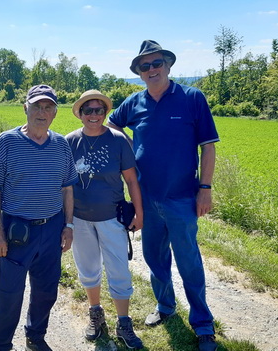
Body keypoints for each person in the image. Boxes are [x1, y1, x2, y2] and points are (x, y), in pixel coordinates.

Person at [107, 40, 220, 351]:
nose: (152, 69)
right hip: (146, 198)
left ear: (168, 66)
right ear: (139, 73)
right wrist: (130, 151)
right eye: (146, 66)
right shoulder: (133, 103)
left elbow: (208, 146)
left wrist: (205, 189)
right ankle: (166, 306)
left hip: (183, 198)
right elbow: (111, 128)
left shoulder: (192, 98)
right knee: (155, 259)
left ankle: (203, 323)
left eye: (157, 63)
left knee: (189, 262)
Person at [0, 84, 78, 351]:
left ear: (55, 113)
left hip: (52, 230)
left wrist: (68, 226)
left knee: (46, 291)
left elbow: (68, 188)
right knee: (8, 294)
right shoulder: (7, 142)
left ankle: (35, 336)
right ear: (25, 108)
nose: (42, 112)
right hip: (17, 231)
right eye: (36, 106)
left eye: (48, 107)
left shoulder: (61, 145)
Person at [65, 90, 144, 350]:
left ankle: (123, 322)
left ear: (105, 113)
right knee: (88, 269)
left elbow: (132, 180)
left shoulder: (118, 140)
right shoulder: (69, 142)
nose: (94, 115)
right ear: (80, 114)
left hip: (112, 218)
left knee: (119, 270)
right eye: (89, 110)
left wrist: (140, 213)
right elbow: (63, 185)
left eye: (100, 110)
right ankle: (96, 314)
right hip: (80, 219)